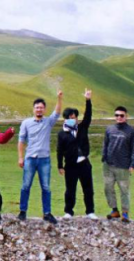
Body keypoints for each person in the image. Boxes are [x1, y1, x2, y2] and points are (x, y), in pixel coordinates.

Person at [18, 90, 63, 224]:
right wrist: (20, 157)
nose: (39, 109)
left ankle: (47, 213)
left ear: (44, 109)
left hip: (44, 159)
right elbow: (21, 141)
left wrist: (59, 98)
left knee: (46, 187)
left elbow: (57, 112)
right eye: (37, 107)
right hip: (30, 158)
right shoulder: (26, 123)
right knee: (26, 185)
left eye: (41, 108)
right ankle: (22, 211)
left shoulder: (48, 122)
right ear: (33, 109)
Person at [57, 88, 97, 220]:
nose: (72, 119)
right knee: (70, 190)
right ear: (65, 118)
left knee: (88, 189)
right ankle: (68, 211)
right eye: (69, 117)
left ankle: (90, 211)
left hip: (84, 163)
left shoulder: (82, 127)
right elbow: (59, 150)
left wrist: (88, 100)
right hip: (70, 165)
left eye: (74, 116)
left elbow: (88, 115)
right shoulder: (62, 133)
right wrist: (60, 165)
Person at [102, 105, 134, 223]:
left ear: (126, 117)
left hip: (123, 165)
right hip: (108, 165)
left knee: (124, 189)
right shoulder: (109, 129)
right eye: (117, 115)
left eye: (121, 115)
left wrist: (133, 164)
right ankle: (114, 210)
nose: (119, 117)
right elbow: (105, 144)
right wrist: (104, 157)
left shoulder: (132, 132)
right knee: (108, 188)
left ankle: (125, 213)